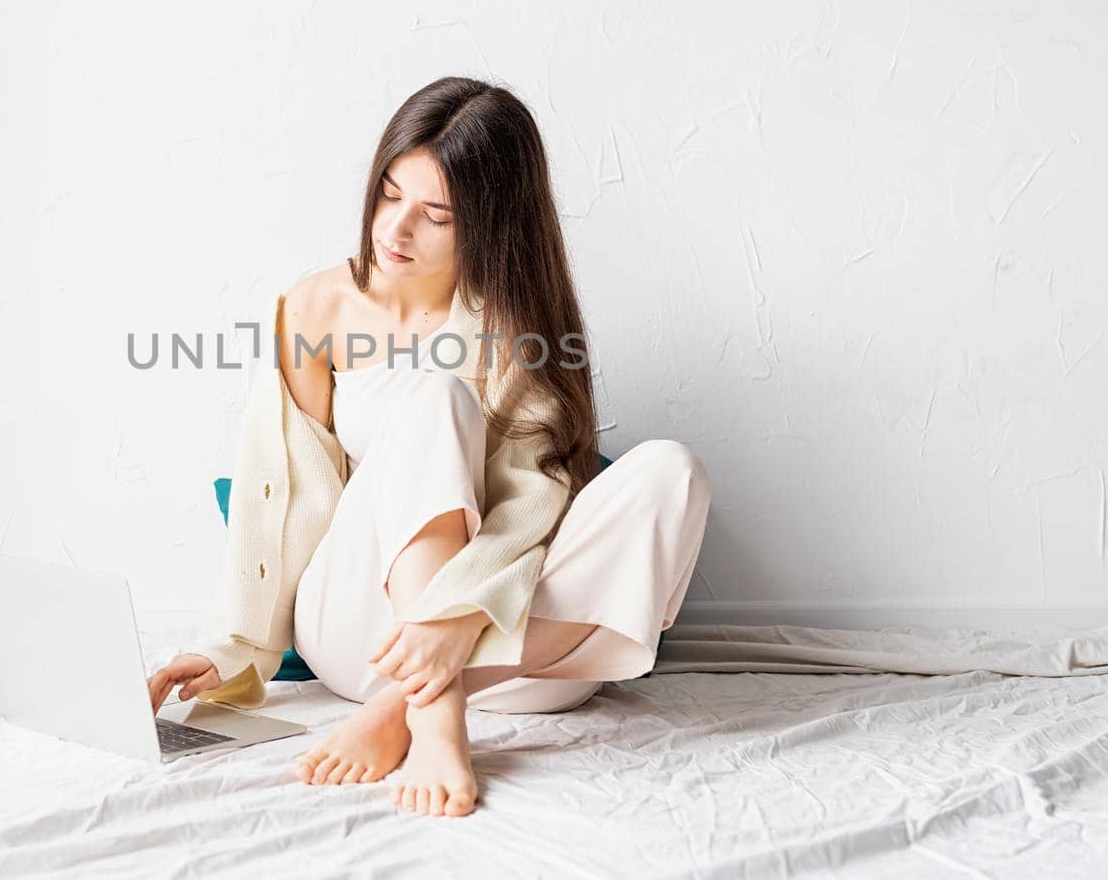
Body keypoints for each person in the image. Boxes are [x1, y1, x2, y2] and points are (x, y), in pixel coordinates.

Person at [146, 76, 713, 818]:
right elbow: (284, 495)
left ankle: (408, 706)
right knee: (436, 394)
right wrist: (230, 646)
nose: (395, 231)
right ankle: (436, 712)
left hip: (522, 657)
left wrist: (457, 618)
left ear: (489, 224)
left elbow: (532, 501)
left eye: (436, 215)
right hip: (363, 635)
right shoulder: (317, 307)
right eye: (389, 195)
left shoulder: (518, 320)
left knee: (674, 471)